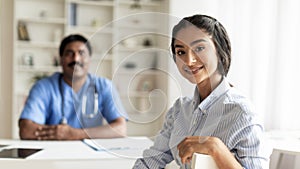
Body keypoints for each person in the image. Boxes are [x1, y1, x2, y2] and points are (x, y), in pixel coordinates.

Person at [133, 14, 270, 169]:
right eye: (181, 52)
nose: (189, 60)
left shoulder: (242, 113)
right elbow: (152, 161)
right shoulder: (179, 110)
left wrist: (215, 148)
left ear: (219, 50)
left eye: (199, 48)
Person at [19, 34, 127, 140]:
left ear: (89, 59)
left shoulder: (104, 86)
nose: (76, 59)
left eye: (81, 53)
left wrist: (75, 134)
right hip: (53, 153)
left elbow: (121, 129)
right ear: (61, 60)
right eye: (69, 53)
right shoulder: (43, 87)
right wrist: (58, 133)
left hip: (91, 154)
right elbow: (26, 130)